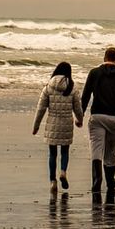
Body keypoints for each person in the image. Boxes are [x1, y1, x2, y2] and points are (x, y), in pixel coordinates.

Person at [78, 47, 115, 198]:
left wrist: (80, 116)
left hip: (97, 116)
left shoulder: (94, 73)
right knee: (111, 152)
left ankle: (96, 181)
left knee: (96, 150)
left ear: (104, 57)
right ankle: (110, 184)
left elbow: (86, 96)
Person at [31, 60, 83, 192]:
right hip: (66, 124)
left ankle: (52, 181)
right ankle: (63, 172)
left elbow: (40, 108)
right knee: (65, 151)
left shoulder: (48, 87)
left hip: (52, 125)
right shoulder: (72, 87)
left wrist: (36, 126)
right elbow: (78, 108)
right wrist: (80, 120)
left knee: (52, 154)